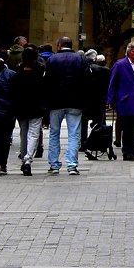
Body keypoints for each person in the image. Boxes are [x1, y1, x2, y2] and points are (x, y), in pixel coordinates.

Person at [44, 35, 91, 175]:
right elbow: (87, 80)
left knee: (54, 133)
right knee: (74, 134)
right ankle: (72, 165)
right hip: (75, 101)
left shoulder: (52, 59)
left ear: (59, 45)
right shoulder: (80, 59)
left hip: (56, 102)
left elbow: (47, 82)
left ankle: (54, 164)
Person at [107, 42, 134, 162]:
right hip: (125, 101)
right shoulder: (120, 65)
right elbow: (113, 83)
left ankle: (132, 149)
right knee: (126, 127)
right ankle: (127, 151)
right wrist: (110, 99)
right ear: (128, 52)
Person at [12, 46, 46, 175]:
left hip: (21, 108)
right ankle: (28, 159)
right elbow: (43, 94)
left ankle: (23, 158)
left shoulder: (17, 75)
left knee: (23, 133)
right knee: (33, 135)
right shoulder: (39, 75)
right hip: (36, 108)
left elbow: (13, 93)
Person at [80, 49, 110, 151]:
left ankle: (83, 143)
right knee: (100, 122)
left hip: (85, 101)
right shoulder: (105, 70)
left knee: (83, 123)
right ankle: (101, 143)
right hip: (100, 101)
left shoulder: (83, 70)